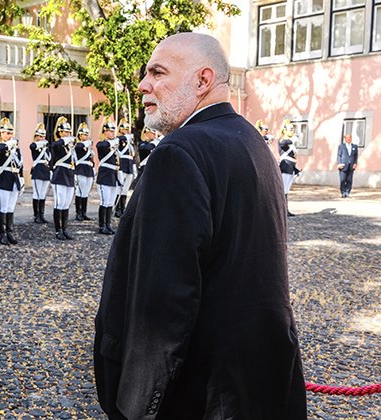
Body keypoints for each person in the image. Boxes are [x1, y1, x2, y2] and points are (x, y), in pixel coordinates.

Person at [94, 33, 306, 418]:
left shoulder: (179, 153)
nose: (143, 85)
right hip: (257, 384)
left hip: (202, 396)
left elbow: (161, 308)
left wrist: (136, 406)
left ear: (203, 80)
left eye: (158, 73)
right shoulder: (252, 141)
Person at [0, 117, 24, 245]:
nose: (9, 135)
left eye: (11, 133)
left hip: (14, 179)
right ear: (1, 134)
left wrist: (21, 178)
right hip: (4, 179)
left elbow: (20, 165)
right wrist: (7, 145)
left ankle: (10, 232)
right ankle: (2, 234)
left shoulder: (16, 149)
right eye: (6, 133)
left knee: (11, 208)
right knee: (3, 207)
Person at [50, 116, 75, 240]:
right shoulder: (57, 144)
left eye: (69, 132)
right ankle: (58, 230)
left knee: (66, 204)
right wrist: (66, 140)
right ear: (59, 132)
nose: (67, 134)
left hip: (69, 175)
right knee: (59, 203)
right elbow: (56, 146)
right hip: (59, 175)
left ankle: (64, 229)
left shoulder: (69, 146)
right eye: (65, 131)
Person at [95, 117, 120, 235]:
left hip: (113, 176)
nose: (112, 133)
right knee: (104, 202)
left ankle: (108, 224)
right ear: (104, 131)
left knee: (110, 202)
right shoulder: (102, 144)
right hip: (104, 176)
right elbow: (102, 146)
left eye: (113, 131)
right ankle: (101, 225)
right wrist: (113, 142)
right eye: (110, 131)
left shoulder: (114, 144)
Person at [277, 120, 301, 217]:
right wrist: (292, 140)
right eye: (290, 129)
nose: (292, 131)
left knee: (286, 190)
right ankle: (282, 210)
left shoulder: (291, 143)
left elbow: (293, 157)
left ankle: (285, 209)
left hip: (290, 166)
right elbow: (283, 144)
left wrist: (296, 169)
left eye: (293, 129)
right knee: (283, 190)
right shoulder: (283, 140)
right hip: (285, 165)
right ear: (285, 130)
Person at [29, 123, 51, 224]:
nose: (42, 138)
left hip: (45, 170)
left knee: (43, 194)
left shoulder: (46, 148)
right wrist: (42, 143)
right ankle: (36, 215)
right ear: (36, 136)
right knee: (37, 194)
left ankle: (41, 215)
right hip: (37, 170)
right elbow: (32, 146)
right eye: (40, 136)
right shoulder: (35, 145)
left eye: (43, 136)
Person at [114, 118, 135, 218]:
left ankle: (122, 208)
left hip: (129, 164)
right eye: (125, 128)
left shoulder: (129, 141)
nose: (127, 130)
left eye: (128, 129)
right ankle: (117, 209)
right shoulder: (119, 139)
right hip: (122, 164)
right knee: (120, 188)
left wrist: (133, 165)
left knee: (125, 189)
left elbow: (132, 154)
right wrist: (126, 138)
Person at [73, 122, 95, 221]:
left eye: (87, 134)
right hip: (80, 169)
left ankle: (84, 212)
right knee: (80, 191)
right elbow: (79, 148)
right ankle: (78, 212)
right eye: (84, 134)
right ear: (79, 135)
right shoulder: (78, 145)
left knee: (85, 192)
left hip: (88, 170)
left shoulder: (88, 146)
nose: (86, 136)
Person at [337, 133, 359, 198]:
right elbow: (339, 155)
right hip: (343, 165)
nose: (348, 139)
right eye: (347, 138)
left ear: (351, 138)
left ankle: (347, 192)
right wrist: (339, 163)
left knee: (349, 180)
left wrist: (355, 163)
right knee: (342, 180)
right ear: (345, 139)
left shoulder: (355, 146)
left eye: (350, 138)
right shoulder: (341, 146)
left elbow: (356, 156)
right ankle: (343, 192)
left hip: (351, 166)